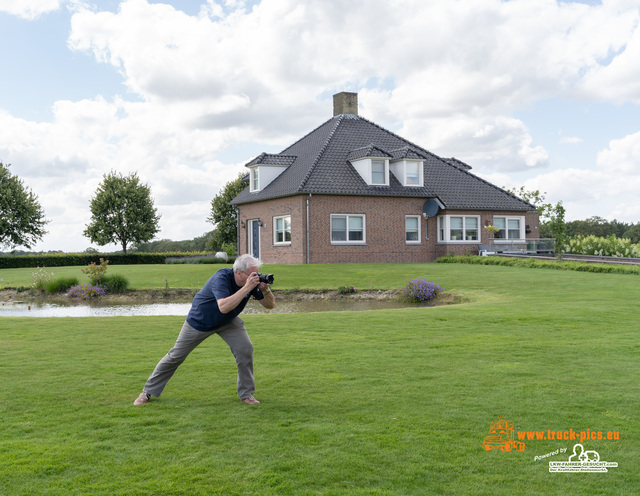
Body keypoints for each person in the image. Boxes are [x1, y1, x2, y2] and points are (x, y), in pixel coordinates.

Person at [133, 254, 276, 406]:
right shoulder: (221, 278)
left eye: (257, 273)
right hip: (200, 322)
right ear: (239, 273)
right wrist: (248, 287)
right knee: (175, 356)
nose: (256, 277)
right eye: (252, 274)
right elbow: (223, 307)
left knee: (245, 349)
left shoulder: (250, 283)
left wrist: (266, 290)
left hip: (228, 321)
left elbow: (270, 305)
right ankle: (147, 391)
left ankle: (246, 394)